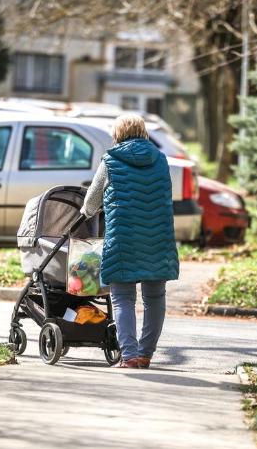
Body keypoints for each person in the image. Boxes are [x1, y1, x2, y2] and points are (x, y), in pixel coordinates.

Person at [81, 114, 179, 369]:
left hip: (123, 238)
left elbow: (91, 202)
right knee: (155, 297)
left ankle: (130, 356)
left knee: (123, 297)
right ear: (143, 132)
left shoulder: (111, 161)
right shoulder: (160, 160)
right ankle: (145, 355)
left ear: (118, 134)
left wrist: (86, 213)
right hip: (159, 237)